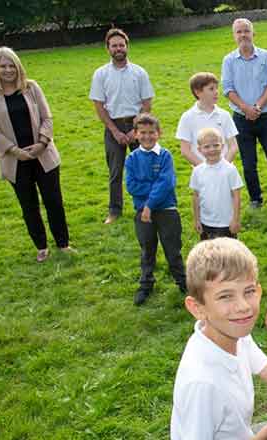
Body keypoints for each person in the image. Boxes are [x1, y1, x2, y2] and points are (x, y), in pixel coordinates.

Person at [171, 238, 267, 440]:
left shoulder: (234, 335)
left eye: (249, 291)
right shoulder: (201, 384)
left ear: (259, 291)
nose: (243, 306)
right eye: (226, 296)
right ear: (197, 308)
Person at [0, 46, 73, 262]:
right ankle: (41, 246)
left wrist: (42, 143)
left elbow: (47, 117)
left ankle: (63, 243)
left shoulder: (31, 87)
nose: (8, 70)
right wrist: (14, 151)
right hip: (15, 160)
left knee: (53, 201)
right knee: (29, 205)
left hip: (43, 155)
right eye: (2, 66)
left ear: (18, 66)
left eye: (11, 65)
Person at [90, 28, 154, 224]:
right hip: (113, 126)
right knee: (115, 172)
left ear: (127, 47)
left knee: (143, 168)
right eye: (114, 45)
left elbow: (147, 103)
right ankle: (114, 211)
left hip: (138, 124)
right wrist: (115, 131)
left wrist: (135, 130)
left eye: (121, 45)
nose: (118, 48)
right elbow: (99, 106)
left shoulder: (139, 72)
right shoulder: (100, 74)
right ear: (108, 48)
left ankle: (145, 207)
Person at [124, 113, 186, 305]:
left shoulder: (165, 156)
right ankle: (146, 284)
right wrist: (150, 199)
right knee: (147, 249)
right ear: (135, 134)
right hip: (142, 213)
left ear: (159, 133)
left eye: (152, 132)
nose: (147, 136)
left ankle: (183, 282)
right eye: (142, 132)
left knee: (172, 248)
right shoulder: (132, 159)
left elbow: (167, 183)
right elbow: (131, 186)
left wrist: (149, 203)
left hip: (166, 210)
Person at [222, 18, 267, 208]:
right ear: (234, 36)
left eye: (246, 31)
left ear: (253, 33)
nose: (243, 35)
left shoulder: (266, 56)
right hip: (241, 119)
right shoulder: (229, 60)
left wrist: (257, 106)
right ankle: (256, 198)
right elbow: (227, 88)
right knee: (248, 163)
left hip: (265, 117)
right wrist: (246, 108)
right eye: (238, 32)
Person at [190, 127, 244, 240]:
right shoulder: (197, 171)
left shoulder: (230, 170)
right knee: (208, 255)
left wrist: (235, 219)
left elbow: (237, 196)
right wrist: (197, 219)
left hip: (226, 224)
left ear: (222, 146)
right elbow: (196, 196)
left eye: (216, 145)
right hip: (206, 222)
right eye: (207, 146)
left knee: (227, 256)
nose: (212, 149)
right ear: (199, 149)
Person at [176, 72, 240, 166]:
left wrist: (223, 166)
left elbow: (233, 146)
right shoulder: (187, 117)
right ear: (198, 92)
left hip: (225, 172)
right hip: (201, 174)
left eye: (216, 88)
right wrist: (205, 169)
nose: (216, 92)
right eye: (211, 89)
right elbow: (185, 150)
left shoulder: (224, 115)